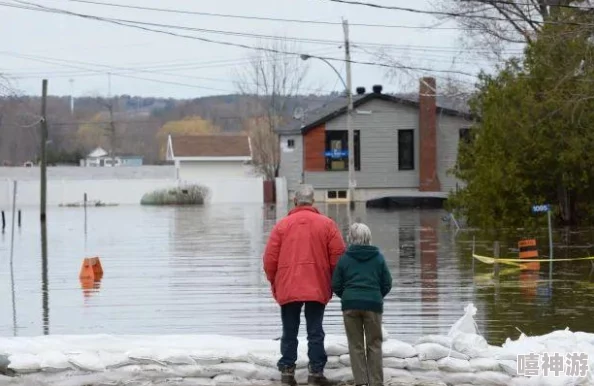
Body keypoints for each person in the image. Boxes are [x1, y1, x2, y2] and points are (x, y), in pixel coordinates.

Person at [263, 184, 346, 386]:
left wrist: (275, 282)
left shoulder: (282, 226)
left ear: (295, 201)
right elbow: (338, 258)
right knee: (315, 331)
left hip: (289, 285)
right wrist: (334, 282)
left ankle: (287, 370)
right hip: (317, 285)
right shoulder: (327, 225)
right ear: (313, 201)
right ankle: (316, 372)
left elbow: (269, 260)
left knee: (289, 331)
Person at [331, 223, 392, 386]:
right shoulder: (378, 257)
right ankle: (376, 382)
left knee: (355, 345)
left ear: (350, 238)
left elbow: (336, 284)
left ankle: (361, 382)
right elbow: (387, 283)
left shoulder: (344, 258)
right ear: (368, 237)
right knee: (375, 344)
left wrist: (347, 297)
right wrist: (377, 296)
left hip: (350, 305)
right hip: (373, 304)